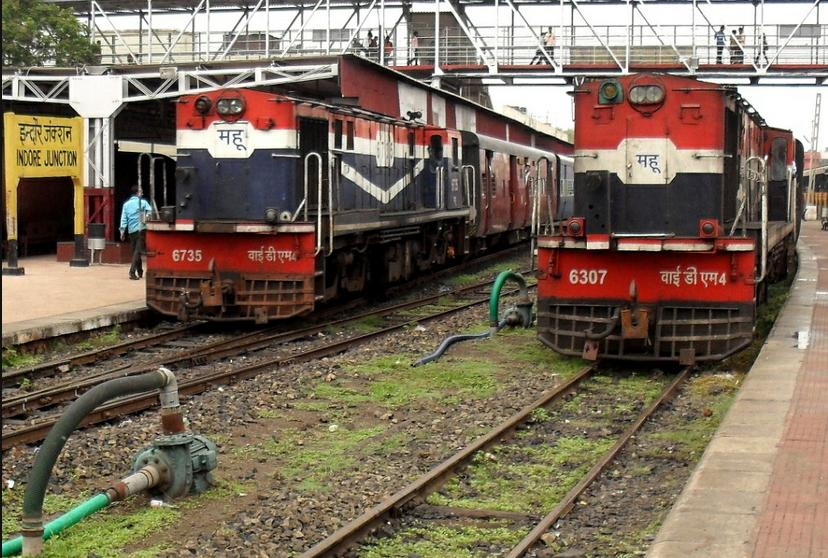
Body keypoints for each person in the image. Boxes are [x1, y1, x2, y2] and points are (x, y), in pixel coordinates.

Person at [119, 184, 153, 280]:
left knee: (135, 251)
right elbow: (150, 212)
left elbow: (123, 219)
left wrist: (122, 231)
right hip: (141, 230)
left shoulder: (126, 205)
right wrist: (144, 218)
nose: (142, 193)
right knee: (137, 251)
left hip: (131, 231)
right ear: (137, 193)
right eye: (141, 192)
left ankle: (140, 271)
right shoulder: (142, 202)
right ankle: (132, 272)